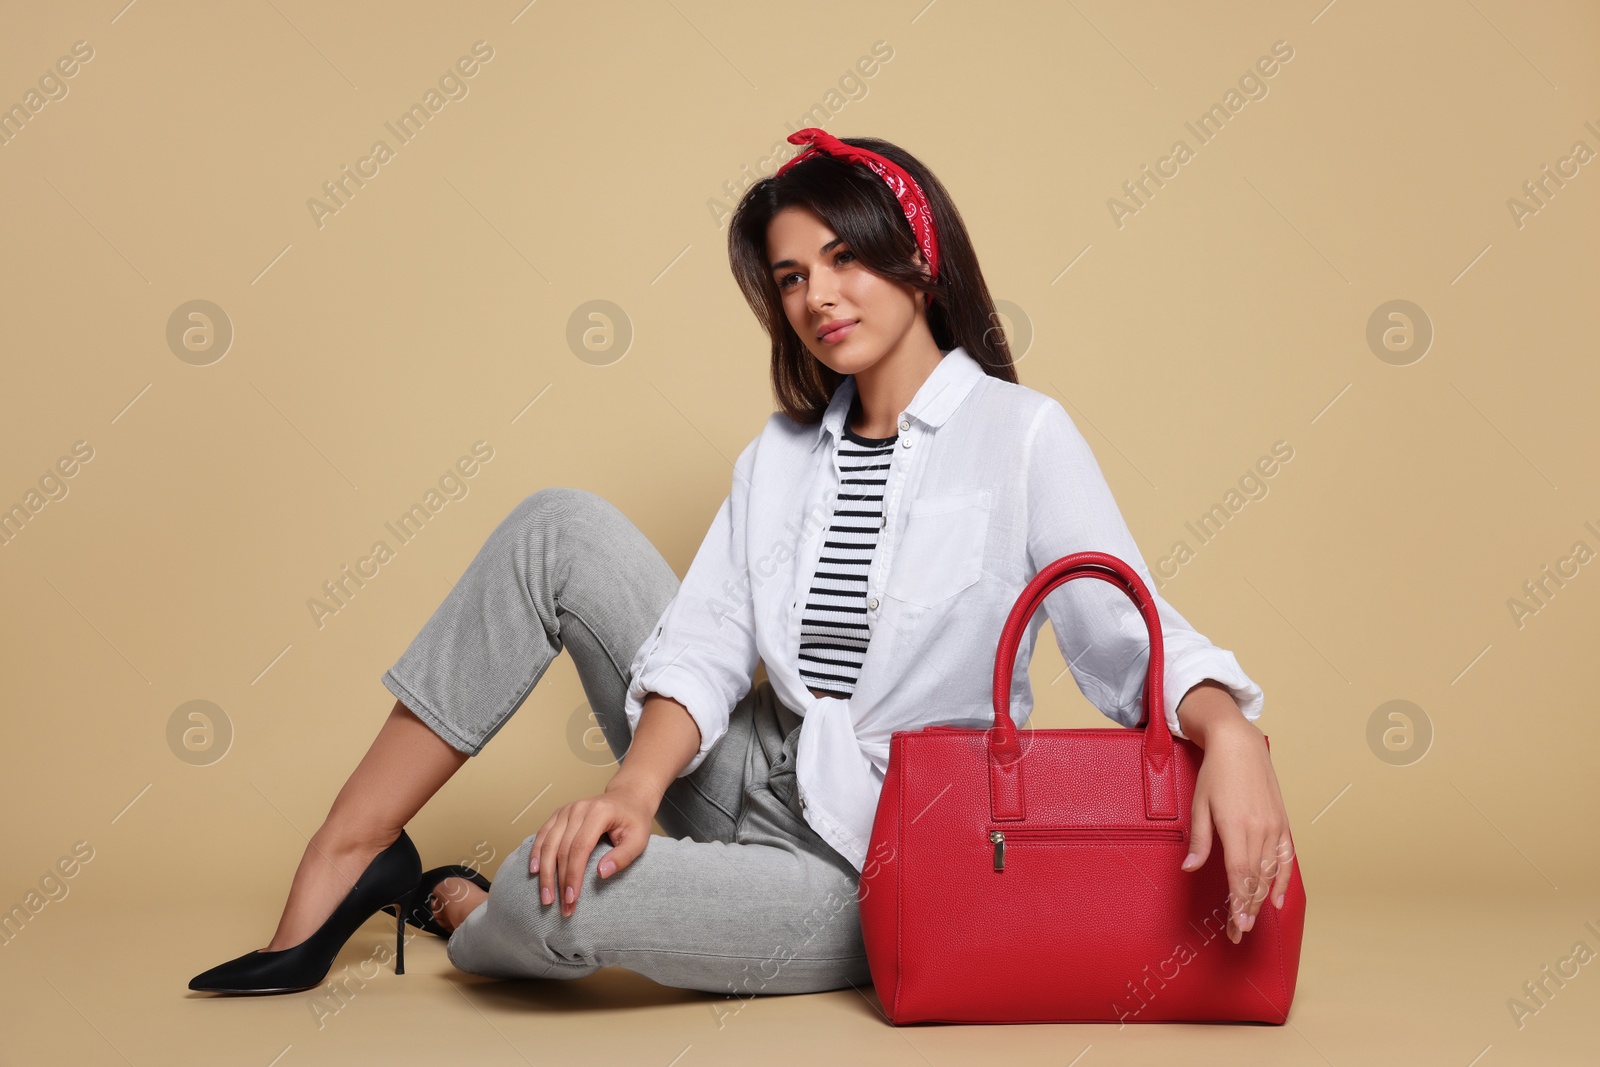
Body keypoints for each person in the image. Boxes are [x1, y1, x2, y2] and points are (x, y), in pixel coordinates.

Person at [188, 129, 1294, 999]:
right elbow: (708, 638)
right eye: (791, 274)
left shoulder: (1021, 435)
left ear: (919, 255)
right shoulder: (781, 453)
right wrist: (634, 784)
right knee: (556, 524)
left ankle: (473, 922)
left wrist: (1227, 727)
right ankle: (354, 848)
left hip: (873, 861)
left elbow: (1120, 630)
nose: (819, 295)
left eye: (846, 257)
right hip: (746, 765)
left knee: (555, 890)